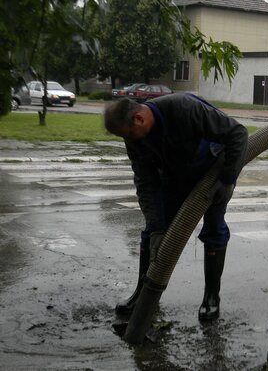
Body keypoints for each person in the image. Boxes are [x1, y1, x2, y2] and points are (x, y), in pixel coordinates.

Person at [104, 93, 248, 321]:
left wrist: (227, 179)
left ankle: (212, 298)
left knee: (214, 228)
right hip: (176, 174)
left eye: (130, 135)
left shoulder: (184, 108)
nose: (130, 141)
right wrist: (157, 226)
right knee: (153, 231)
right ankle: (143, 297)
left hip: (212, 172)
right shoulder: (133, 136)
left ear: (139, 119)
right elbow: (145, 180)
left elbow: (238, 133)